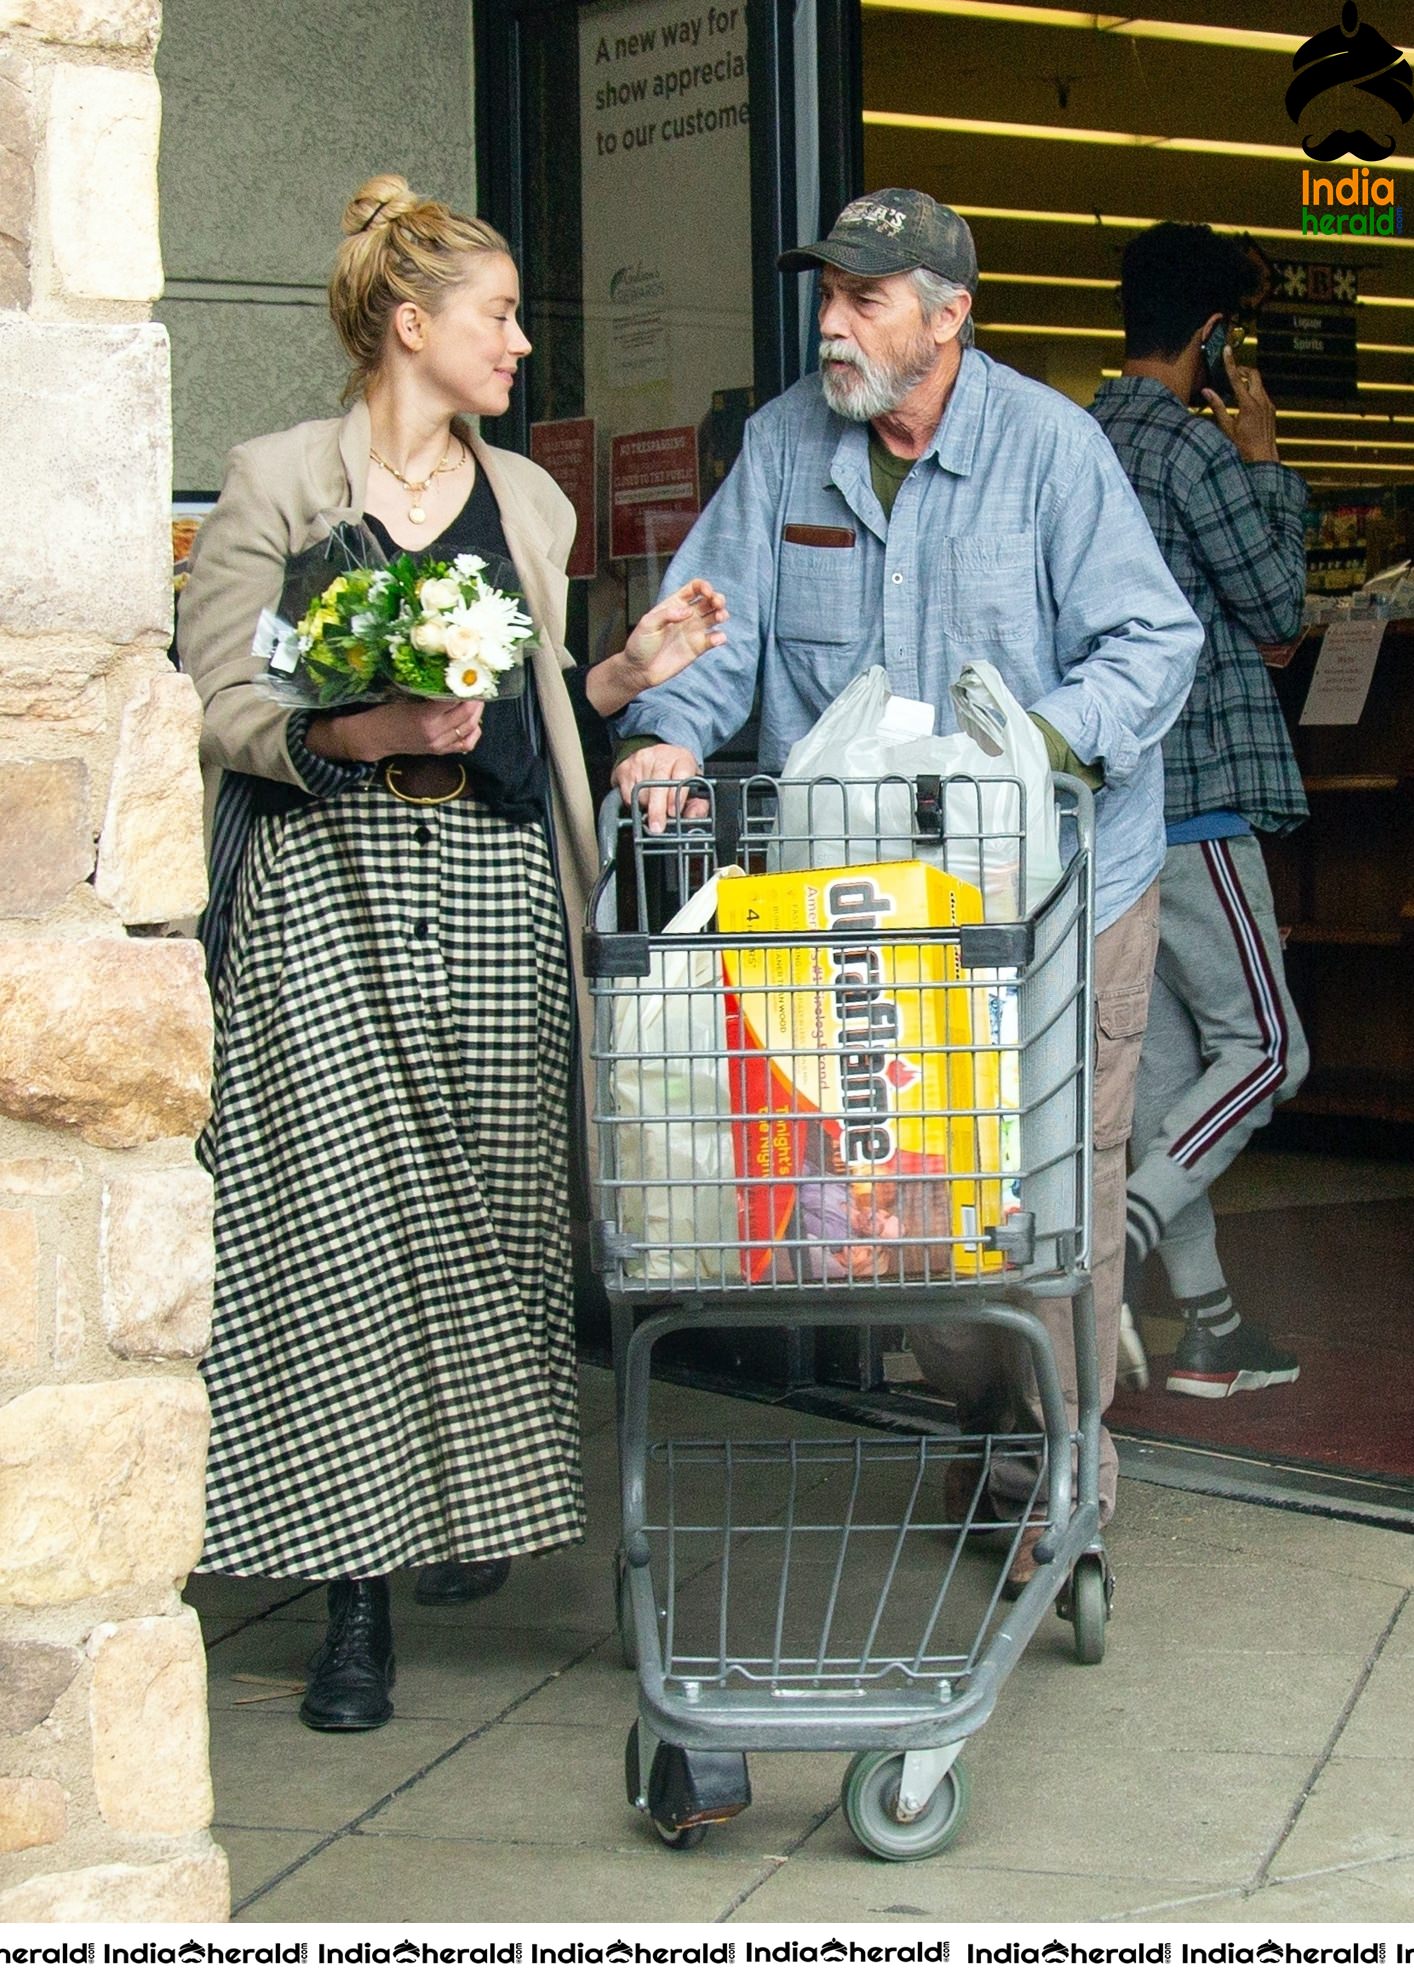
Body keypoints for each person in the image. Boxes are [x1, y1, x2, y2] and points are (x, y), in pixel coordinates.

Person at [178, 173, 726, 1733]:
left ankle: (456, 1504)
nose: (522, 348)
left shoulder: (533, 507)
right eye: (497, 318)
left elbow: (538, 709)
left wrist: (626, 671)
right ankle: (352, 1603)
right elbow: (221, 701)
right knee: (335, 1230)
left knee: (494, 1221)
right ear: (408, 327)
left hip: (492, 890)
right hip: (326, 886)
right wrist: (371, 725)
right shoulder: (278, 479)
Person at [611, 189, 1202, 1586]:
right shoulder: (780, 450)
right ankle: (994, 1418)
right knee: (904, 1181)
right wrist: (665, 733)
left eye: (864, 297)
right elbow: (710, 634)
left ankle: (1061, 1467)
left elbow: (1150, 639)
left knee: (1048, 1178)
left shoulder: (1050, 451)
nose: (831, 320)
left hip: (1056, 896)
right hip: (865, 911)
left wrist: (1029, 750)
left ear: (947, 315)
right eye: (827, 292)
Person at [1090, 222, 1309, 1399]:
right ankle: (1114, 1237)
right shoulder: (1191, 451)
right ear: (1216, 335)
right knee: (1270, 1047)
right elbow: (1278, 610)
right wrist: (1266, 455)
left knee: (1171, 1085)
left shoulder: (1065, 445)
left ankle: (1214, 1331)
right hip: (1194, 797)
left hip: (1101, 817)